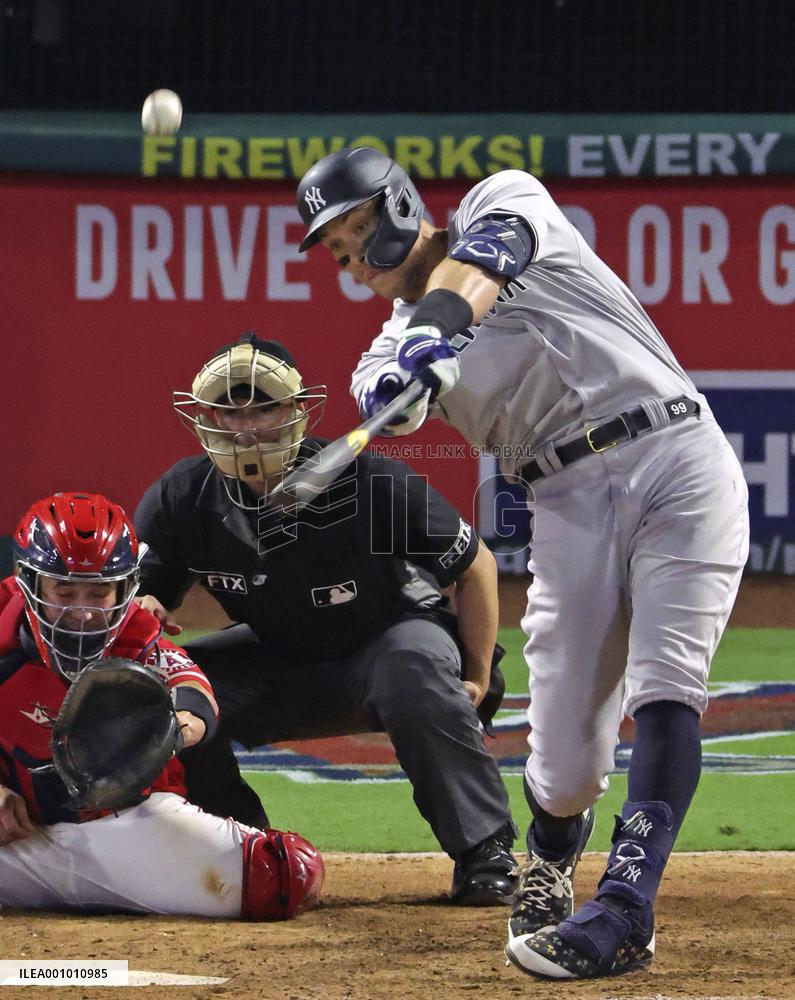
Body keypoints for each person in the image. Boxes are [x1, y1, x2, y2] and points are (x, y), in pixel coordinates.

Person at [295, 147, 750, 979]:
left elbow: (485, 261)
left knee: (666, 684)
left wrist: (434, 332)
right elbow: (383, 398)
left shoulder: (499, 200)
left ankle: (625, 908)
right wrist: (402, 381)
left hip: (677, 457)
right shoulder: (385, 349)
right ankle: (552, 846)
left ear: (398, 206)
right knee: (567, 765)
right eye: (334, 250)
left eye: (353, 231)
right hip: (566, 500)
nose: (350, 260)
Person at [134, 332, 518, 906]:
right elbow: (144, 594)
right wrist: (143, 607)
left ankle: (485, 853)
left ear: (296, 410)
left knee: (411, 668)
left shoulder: (369, 482)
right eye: (230, 412)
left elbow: (477, 565)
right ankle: (242, 849)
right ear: (206, 418)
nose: (246, 428)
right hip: (276, 660)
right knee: (161, 690)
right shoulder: (184, 497)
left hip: (388, 642)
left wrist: (480, 674)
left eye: (263, 408)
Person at [0, 491, 323, 920]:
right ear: (28, 582)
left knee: (285, 872)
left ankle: (68, 881)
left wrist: (175, 729)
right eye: (64, 590)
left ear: (125, 589)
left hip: (126, 829)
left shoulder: (138, 633)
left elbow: (193, 692)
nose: (83, 612)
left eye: (99, 592)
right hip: (20, 837)